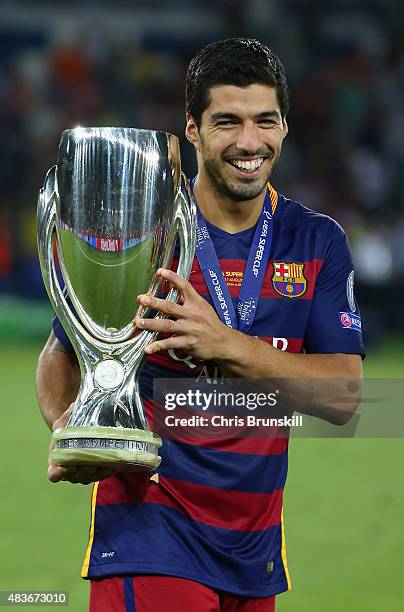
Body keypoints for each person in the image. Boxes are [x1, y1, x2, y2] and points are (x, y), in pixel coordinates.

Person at [36, 38, 365, 612]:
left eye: (265, 121)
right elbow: (64, 349)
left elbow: (343, 394)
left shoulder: (316, 241)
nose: (248, 142)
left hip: (254, 551)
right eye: (227, 122)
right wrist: (73, 428)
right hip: (150, 536)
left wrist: (225, 345)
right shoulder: (150, 227)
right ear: (191, 128)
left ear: (285, 127)